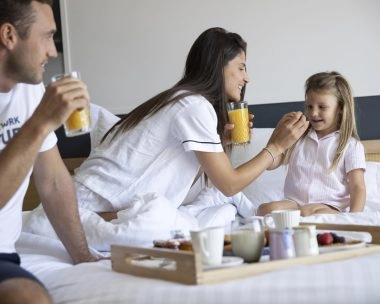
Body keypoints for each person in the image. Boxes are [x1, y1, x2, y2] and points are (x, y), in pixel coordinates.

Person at [72, 27, 309, 224]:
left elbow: (184, 179)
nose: (247, 78)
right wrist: (276, 147)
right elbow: (229, 185)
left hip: (87, 206)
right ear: (219, 66)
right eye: (241, 67)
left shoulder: (182, 99)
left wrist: (219, 142)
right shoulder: (193, 106)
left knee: (206, 216)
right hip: (84, 207)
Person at [0, 1, 97, 303]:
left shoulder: (30, 90)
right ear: (9, 35)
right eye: (46, 36)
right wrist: (41, 122)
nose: (53, 52)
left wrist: (83, 257)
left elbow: (53, 182)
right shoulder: (39, 111)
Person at [257, 71, 366, 217]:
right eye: (309, 106)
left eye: (322, 107)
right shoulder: (297, 137)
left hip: (330, 205)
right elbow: (271, 164)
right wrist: (278, 133)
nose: (313, 113)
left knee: (307, 211)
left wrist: (354, 218)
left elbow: (357, 187)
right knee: (265, 209)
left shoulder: (351, 145)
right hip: (295, 203)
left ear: (340, 108)